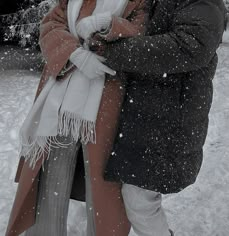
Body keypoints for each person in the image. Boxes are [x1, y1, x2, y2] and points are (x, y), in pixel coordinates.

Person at [6, 0, 151, 236]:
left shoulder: (138, 1)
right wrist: (74, 54)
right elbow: (51, 24)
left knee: (103, 185)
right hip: (60, 98)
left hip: (109, 102)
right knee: (51, 174)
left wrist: (108, 26)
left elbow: (141, 31)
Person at [88, 0, 225, 235]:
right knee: (136, 193)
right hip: (150, 113)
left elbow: (189, 46)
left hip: (172, 118)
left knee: (139, 199)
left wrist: (115, 52)